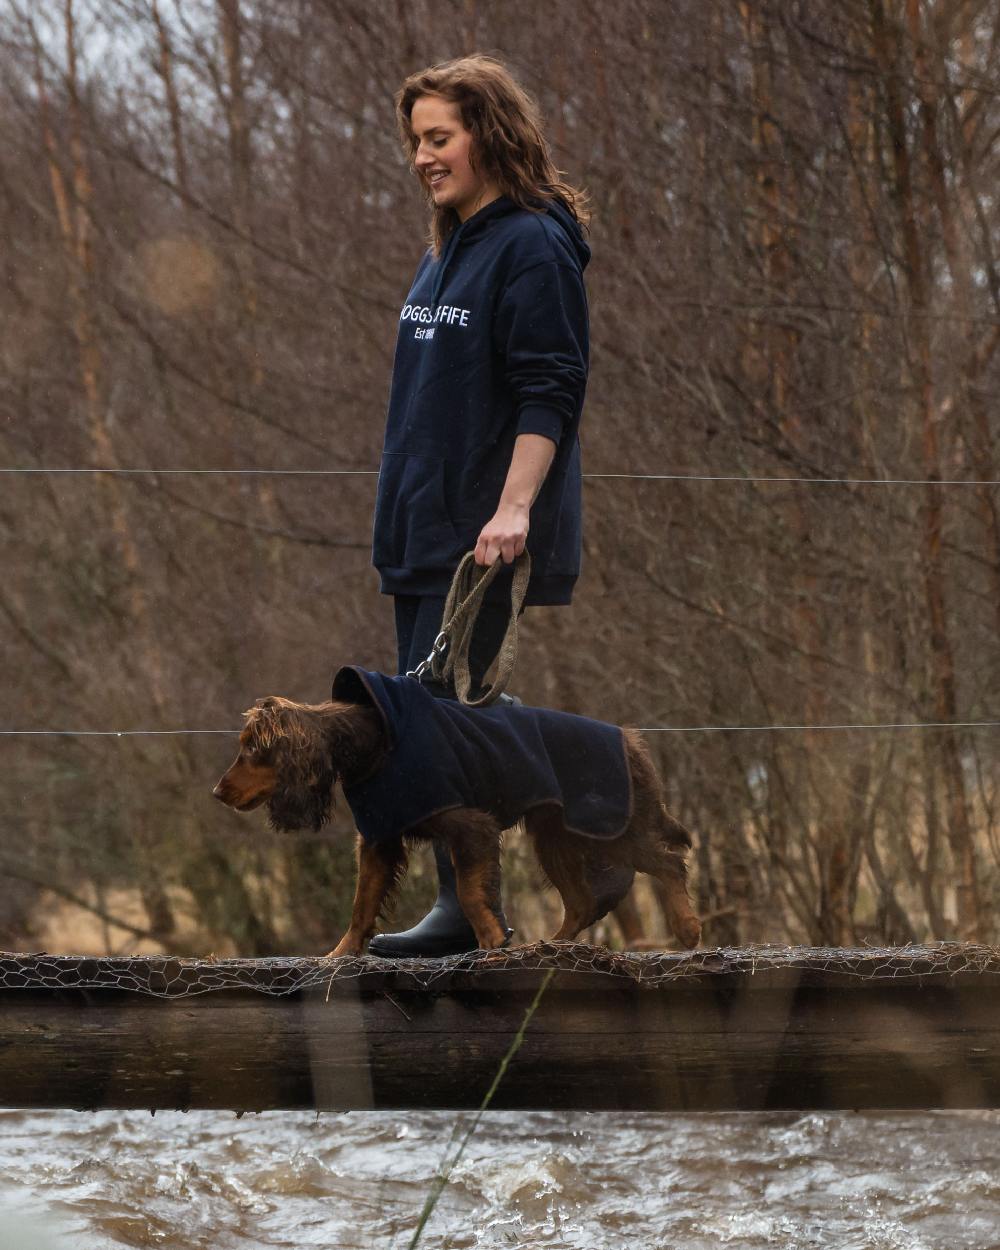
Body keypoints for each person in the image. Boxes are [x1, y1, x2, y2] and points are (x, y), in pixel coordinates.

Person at [367, 53, 591, 957]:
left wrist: (514, 510)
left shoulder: (533, 244)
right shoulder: (447, 250)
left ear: (486, 134)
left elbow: (552, 388)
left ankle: (474, 909)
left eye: (439, 137)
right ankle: (467, 907)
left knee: (454, 716)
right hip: (420, 523)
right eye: (415, 140)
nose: (423, 155)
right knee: (431, 719)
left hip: (481, 531)